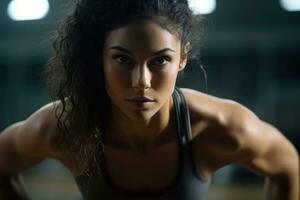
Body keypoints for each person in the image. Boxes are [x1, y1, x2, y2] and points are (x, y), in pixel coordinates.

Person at [0, 0, 299, 199]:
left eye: (159, 61)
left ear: (182, 58)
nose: (140, 82)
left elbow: (288, 165)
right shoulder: (63, 128)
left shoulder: (222, 127)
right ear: (99, 58)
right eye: (122, 59)